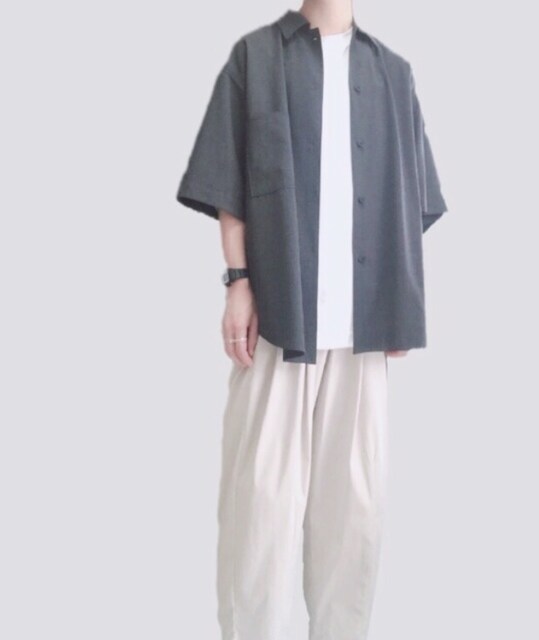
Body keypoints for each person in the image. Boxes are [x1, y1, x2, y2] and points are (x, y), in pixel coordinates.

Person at [176, 1, 449, 638]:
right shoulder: (255, 57)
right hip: (279, 321)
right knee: (260, 510)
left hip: (362, 331)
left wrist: (399, 300)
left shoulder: (393, 73)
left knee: (354, 514)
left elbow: (411, 194)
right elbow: (230, 181)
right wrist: (238, 282)